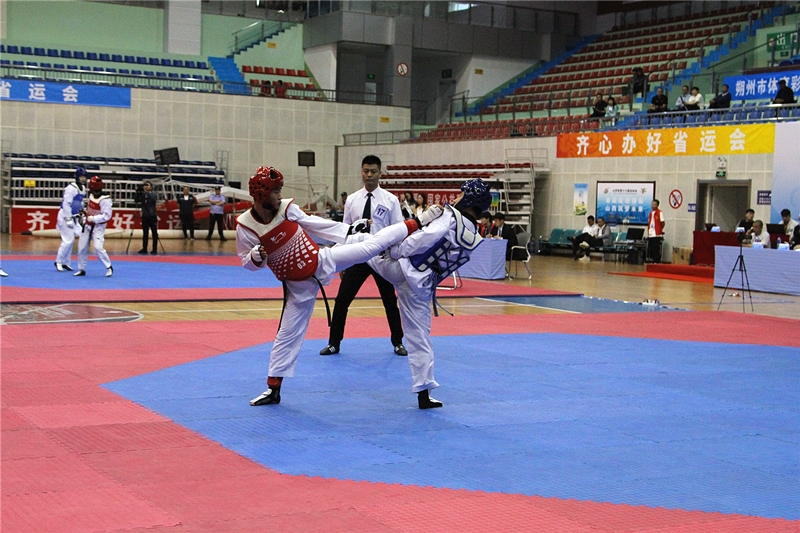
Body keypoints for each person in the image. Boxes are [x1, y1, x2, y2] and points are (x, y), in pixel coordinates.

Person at [238, 166, 442, 407]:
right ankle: (273, 389)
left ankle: (419, 222)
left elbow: (316, 224)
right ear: (261, 194)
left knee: (369, 243)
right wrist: (255, 257)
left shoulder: (286, 209)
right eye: (276, 191)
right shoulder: (246, 226)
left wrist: (349, 229)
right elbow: (246, 262)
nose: (280, 195)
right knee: (286, 335)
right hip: (297, 286)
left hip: (321, 261)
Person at [363, 178, 492, 409]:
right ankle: (424, 393)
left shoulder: (451, 218)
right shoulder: (474, 235)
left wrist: (396, 251)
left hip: (402, 268)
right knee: (420, 337)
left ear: (470, 199)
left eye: (461, 194)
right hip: (423, 286)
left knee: (361, 241)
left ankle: (323, 260)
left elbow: (423, 239)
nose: (457, 197)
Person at [319, 155, 407, 357]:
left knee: (390, 301)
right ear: (361, 172)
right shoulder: (352, 199)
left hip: (381, 257)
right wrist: (343, 261)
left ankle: (398, 342)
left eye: (373, 171)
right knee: (342, 300)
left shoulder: (390, 200)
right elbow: (345, 232)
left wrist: (395, 257)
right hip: (357, 256)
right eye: (366, 171)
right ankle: (333, 343)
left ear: (380, 173)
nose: (369, 175)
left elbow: (399, 230)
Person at [74, 176, 113, 278]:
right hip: (87, 225)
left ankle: (109, 266)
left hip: (98, 227)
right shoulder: (91, 196)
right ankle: (81, 269)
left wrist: (94, 218)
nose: (95, 192)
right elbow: (90, 209)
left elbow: (107, 216)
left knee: (98, 247)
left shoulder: (105, 200)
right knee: (82, 247)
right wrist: (84, 214)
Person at [55, 166, 87, 272]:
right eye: (81, 177)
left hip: (74, 215)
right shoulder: (71, 188)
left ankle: (66, 262)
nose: (83, 179)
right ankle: (58, 261)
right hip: (65, 215)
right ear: (77, 177)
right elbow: (66, 203)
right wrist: (68, 217)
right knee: (68, 240)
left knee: (71, 240)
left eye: (84, 177)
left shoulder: (82, 189)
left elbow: (78, 202)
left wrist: (82, 210)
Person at [138, 181, 159, 255]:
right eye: (145, 185)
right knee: (145, 233)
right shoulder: (143, 195)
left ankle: (154, 249)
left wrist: (147, 192)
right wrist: (138, 192)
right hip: (145, 216)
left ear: (151, 187)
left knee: (154, 233)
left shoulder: (153, 194)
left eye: (148, 185)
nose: (146, 186)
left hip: (152, 215)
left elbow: (153, 199)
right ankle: (144, 248)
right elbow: (136, 200)